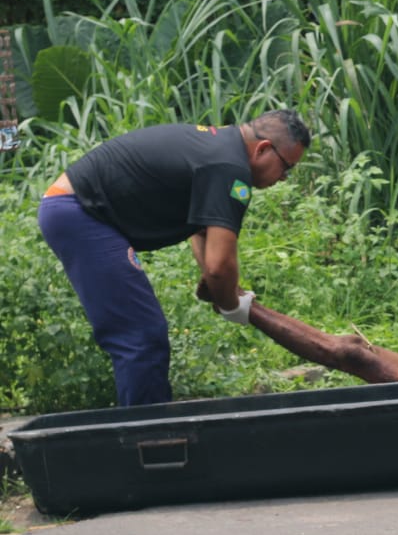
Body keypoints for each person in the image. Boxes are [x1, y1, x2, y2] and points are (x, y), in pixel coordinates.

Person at [37, 109, 311, 408]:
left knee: (142, 334)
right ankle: (148, 437)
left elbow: (201, 232)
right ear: (263, 149)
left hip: (75, 207)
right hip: (79, 212)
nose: (284, 178)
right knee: (141, 336)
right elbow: (220, 267)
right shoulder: (229, 166)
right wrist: (232, 305)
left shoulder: (221, 149)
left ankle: (148, 428)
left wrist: (224, 289)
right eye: (287, 167)